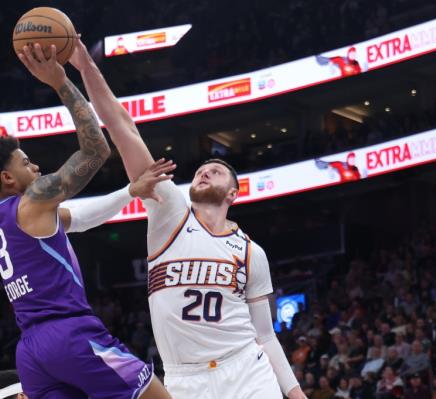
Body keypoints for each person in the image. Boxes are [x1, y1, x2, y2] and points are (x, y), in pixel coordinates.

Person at [68, 37, 307, 399]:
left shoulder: (250, 253)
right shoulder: (170, 212)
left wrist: (295, 393)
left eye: (216, 171)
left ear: (233, 194)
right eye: (201, 170)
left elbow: (265, 335)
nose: (205, 172)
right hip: (183, 379)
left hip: (245, 369)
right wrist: (86, 66)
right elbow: (122, 126)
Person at [0, 43, 171, 399]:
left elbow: (78, 219)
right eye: (25, 162)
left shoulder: (1, 222)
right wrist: (61, 82)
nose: (35, 167)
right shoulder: (32, 200)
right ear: (7, 178)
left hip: (31, 351)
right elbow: (96, 150)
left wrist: (131, 192)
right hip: (69, 336)